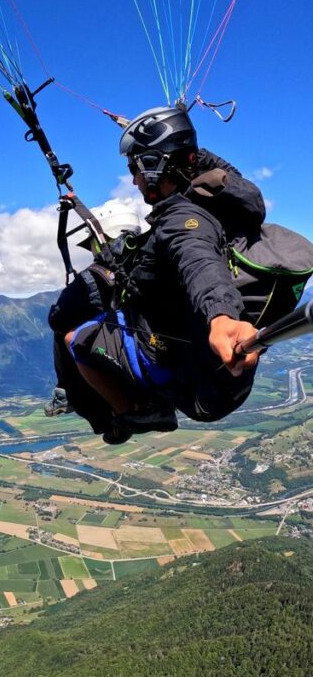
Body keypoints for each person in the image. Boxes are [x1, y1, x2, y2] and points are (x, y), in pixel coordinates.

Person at [47, 105, 263, 444]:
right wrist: (188, 146)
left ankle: (129, 413)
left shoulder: (183, 220)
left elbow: (198, 261)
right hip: (225, 378)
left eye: (135, 167)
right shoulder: (215, 207)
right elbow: (231, 183)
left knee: (76, 339)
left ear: (152, 166)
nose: (133, 179)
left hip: (200, 388)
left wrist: (222, 316)